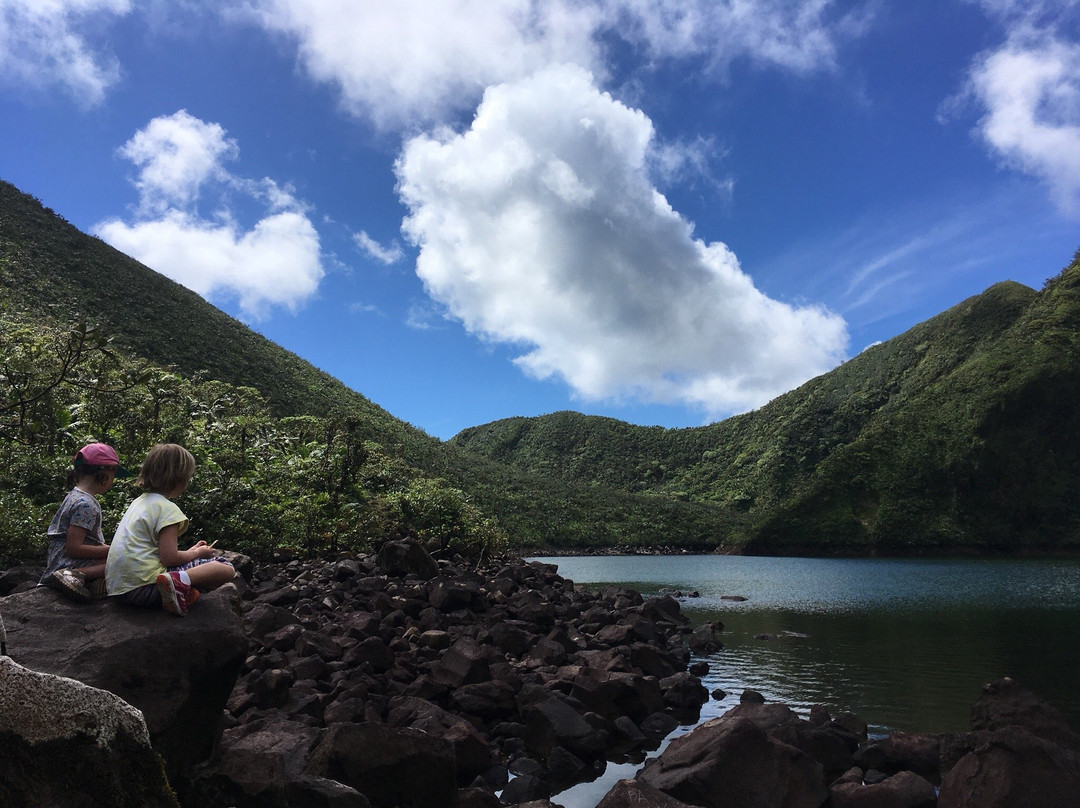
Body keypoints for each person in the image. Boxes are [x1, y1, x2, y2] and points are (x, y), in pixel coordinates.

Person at [105, 443, 235, 616]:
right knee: (225, 567)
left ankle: (180, 586)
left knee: (197, 578)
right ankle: (177, 583)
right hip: (147, 587)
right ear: (180, 478)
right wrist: (197, 553)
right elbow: (169, 558)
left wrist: (189, 552)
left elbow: (156, 553)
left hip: (120, 591)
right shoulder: (167, 509)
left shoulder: (138, 503)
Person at [40, 442, 130, 602]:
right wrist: (114, 550)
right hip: (67, 563)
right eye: (114, 473)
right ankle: (74, 575)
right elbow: (73, 548)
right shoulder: (85, 504)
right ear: (104, 473)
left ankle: (92, 583)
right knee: (126, 560)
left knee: (122, 554)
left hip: (61, 559)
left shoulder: (76, 495)